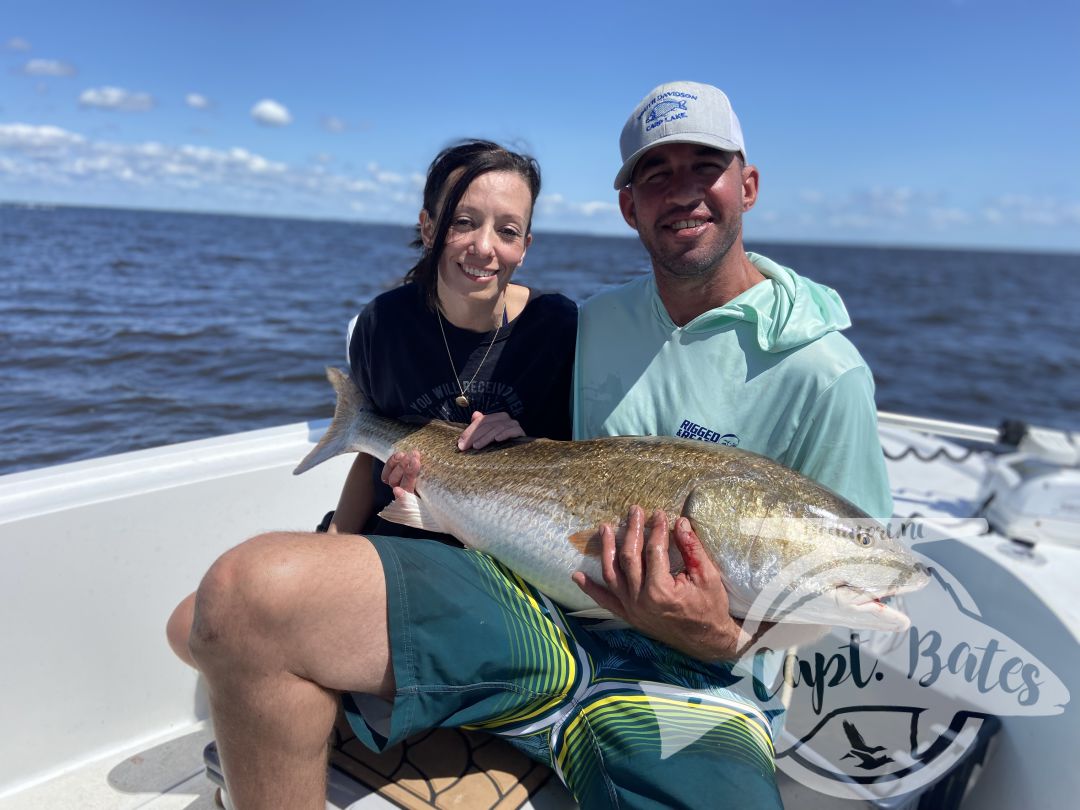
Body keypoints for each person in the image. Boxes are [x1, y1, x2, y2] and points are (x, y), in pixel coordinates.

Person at [187, 82, 891, 810]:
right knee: (239, 602)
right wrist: (516, 440)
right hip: (527, 606)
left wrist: (718, 635)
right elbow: (555, 454)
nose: (682, 192)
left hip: (701, 679)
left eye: (704, 166)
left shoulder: (825, 373)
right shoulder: (593, 321)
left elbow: (843, 599)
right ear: (628, 206)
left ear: (746, 184)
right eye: (657, 174)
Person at [167, 138, 575, 661]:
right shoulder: (384, 325)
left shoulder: (557, 329)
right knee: (192, 625)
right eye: (463, 221)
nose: (484, 247)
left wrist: (528, 446)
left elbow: (581, 467)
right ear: (428, 227)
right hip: (396, 530)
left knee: (255, 632)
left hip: (497, 556)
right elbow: (372, 442)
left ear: (526, 246)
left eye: (507, 230)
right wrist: (338, 536)